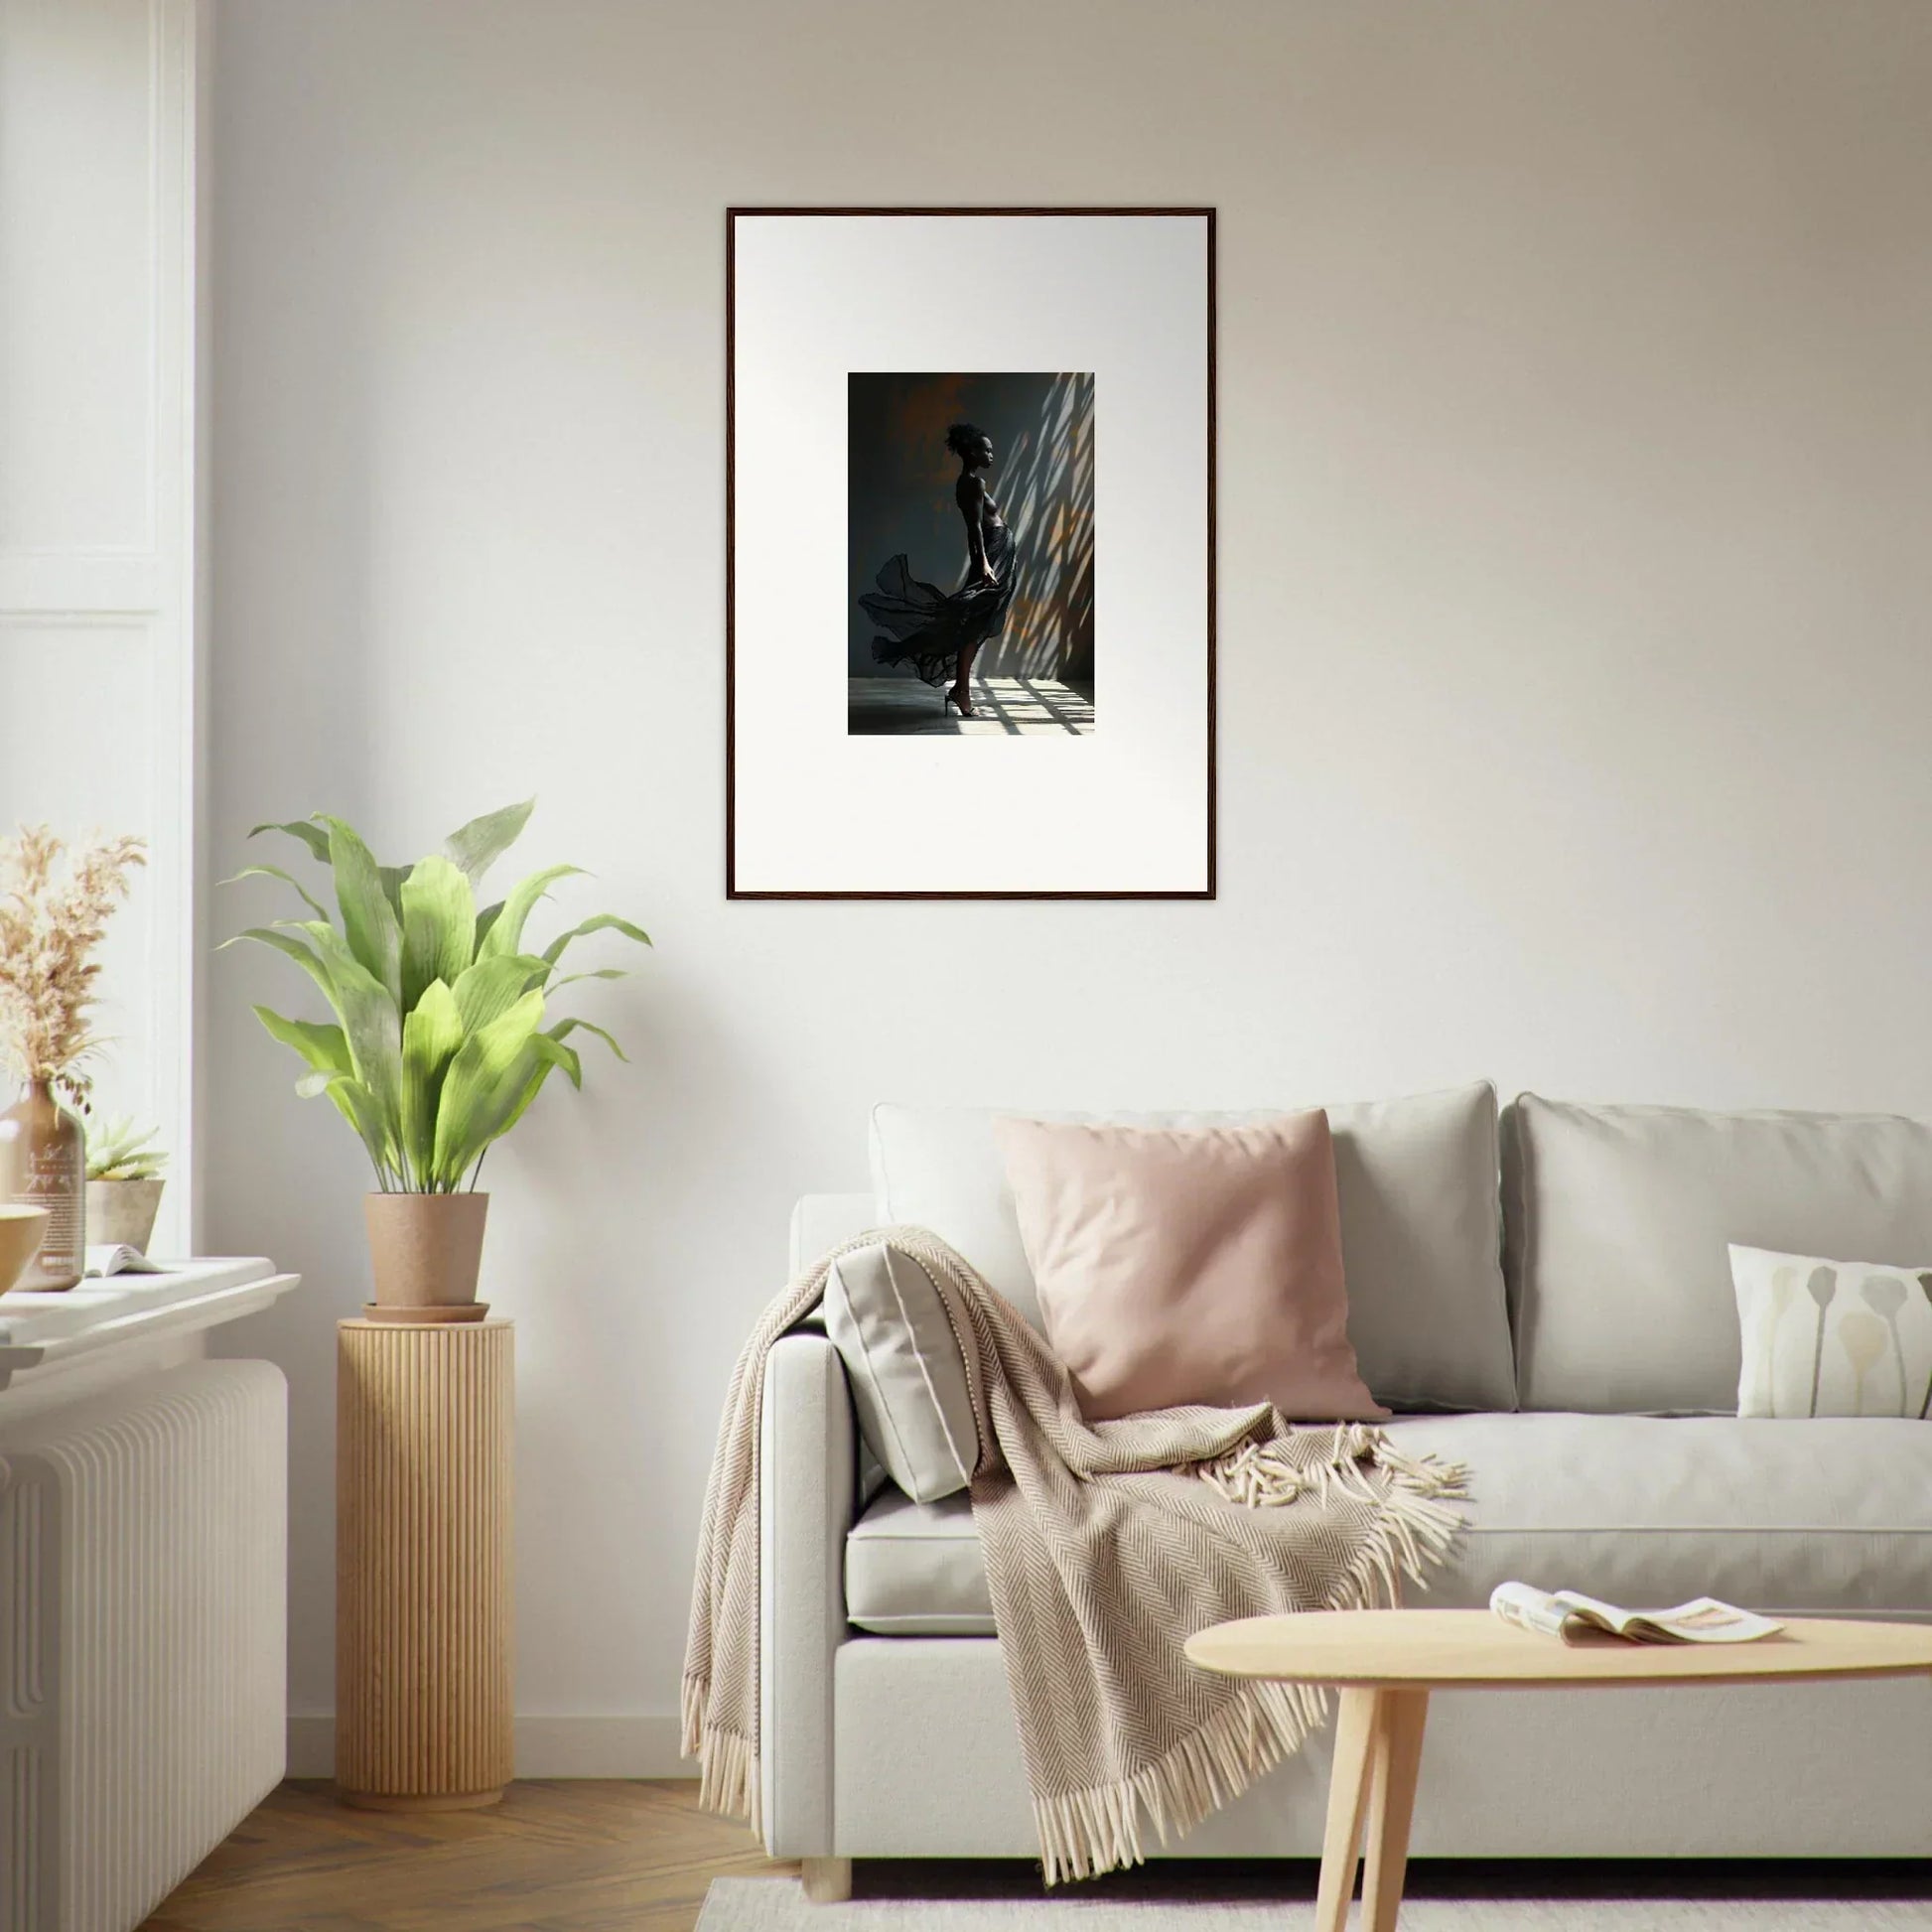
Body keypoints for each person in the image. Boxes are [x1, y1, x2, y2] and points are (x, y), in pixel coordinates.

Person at [859, 421, 1018, 720]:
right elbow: (975, 529)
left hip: (997, 552)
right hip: (993, 553)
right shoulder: (972, 483)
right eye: (987, 450)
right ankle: (962, 691)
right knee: (972, 622)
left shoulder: (970, 482)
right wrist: (983, 563)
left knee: (974, 622)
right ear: (971, 452)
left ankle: (961, 689)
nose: (992, 455)